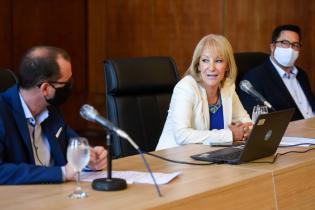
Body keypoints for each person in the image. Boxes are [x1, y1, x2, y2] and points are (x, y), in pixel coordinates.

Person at [0, 46, 107, 184]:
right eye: (67, 83)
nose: (70, 86)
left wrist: (89, 157)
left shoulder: (51, 110)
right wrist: (61, 173)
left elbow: (73, 143)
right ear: (45, 89)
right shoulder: (3, 113)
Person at [156, 34, 252, 150]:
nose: (211, 67)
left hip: (209, 158)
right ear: (198, 65)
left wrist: (246, 131)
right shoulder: (186, 88)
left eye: (218, 61)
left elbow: (247, 123)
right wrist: (230, 134)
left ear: (227, 66)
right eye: (205, 60)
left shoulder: (228, 87)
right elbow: (181, 135)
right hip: (174, 160)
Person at [239, 24, 315, 121]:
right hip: (292, 133)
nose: (291, 49)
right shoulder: (255, 78)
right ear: (273, 47)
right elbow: (258, 122)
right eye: (285, 43)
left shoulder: (302, 75)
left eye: (295, 45)